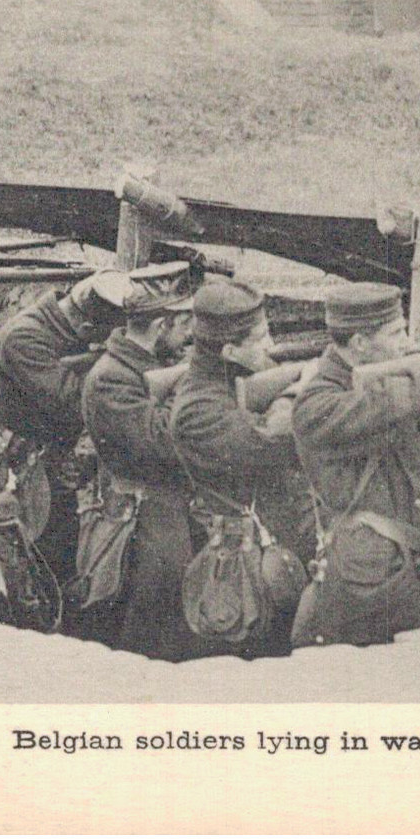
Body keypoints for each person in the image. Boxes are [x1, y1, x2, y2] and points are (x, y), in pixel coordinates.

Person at [290, 282, 420, 634]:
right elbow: (384, 407)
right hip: (370, 577)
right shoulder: (317, 404)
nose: (406, 343)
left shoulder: (391, 388)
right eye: (396, 333)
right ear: (361, 344)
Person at [168, 279, 317, 657]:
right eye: (261, 339)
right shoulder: (197, 409)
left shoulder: (226, 382)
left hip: (271, 546)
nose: (270, 347)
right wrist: (296, 392)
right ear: (231, 350)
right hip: (243, 565)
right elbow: (269, 445)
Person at [78, 261, 204, 660]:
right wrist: (192, 388)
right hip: (141, 528)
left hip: (161, 516)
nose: (189, 338)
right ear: (160, 325)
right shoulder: (111, 378)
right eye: (184, 327)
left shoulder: (140, 369)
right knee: (148, 641)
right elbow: (163, 443)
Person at [0, 269, 126, 583]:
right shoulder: (24, 338)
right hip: (16, 468)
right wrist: (115, 369)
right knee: (16, 565)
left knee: (49, 559)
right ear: (85, 326)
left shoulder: (54, 325)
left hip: (44, 460)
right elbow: (71, 401)